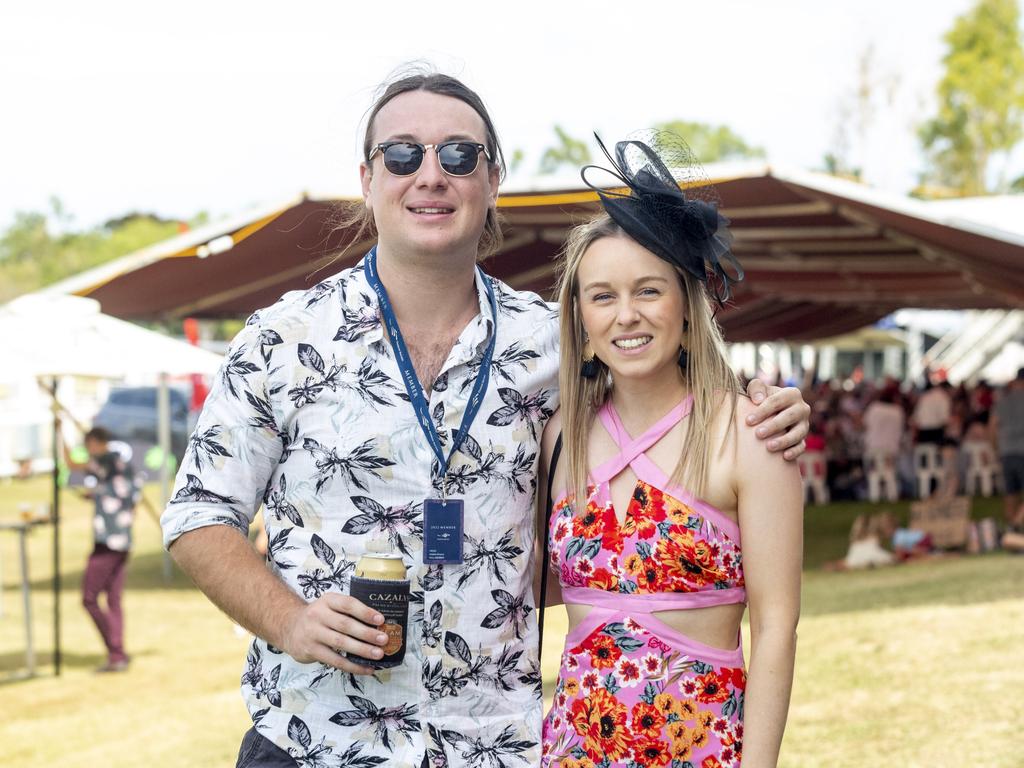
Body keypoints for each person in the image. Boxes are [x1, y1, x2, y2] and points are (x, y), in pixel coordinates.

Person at [161, 69, 812, 768]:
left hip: (493, 744)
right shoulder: (283, 338)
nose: (431, 175)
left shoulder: (554, 345)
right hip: (318, 737)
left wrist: (763, 403)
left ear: (493, 177)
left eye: (460, 155)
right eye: (403, 154)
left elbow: (660, 367)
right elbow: (197, 514)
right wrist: (288, 620)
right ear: (367, 178)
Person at [538, 134, 802, 768]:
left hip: (701, 749)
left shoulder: (751, 433)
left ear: (687, 303)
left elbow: (774, 630)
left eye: (648, 290)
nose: (626, 315)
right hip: (574, 748)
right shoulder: (559, 437)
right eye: (603, 296)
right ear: (579, 316)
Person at [62, 425, 137, 672]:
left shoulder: (106, 462)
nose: (87, 452)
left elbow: (72, 464)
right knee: (113, 600)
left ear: (95, 442)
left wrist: (60, 431)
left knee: (89, 597)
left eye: (87, 446)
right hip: (123, 541)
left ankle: (115, 651)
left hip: (108, 541)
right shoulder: (123, 466)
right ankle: (118, 654)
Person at [990, 367, 1024, 523]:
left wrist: (995, 448)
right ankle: (1017, 522)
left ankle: (1011, 524)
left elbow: (992, 426)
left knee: (1010, 492)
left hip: (1006, 451)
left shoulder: (1002, 401)